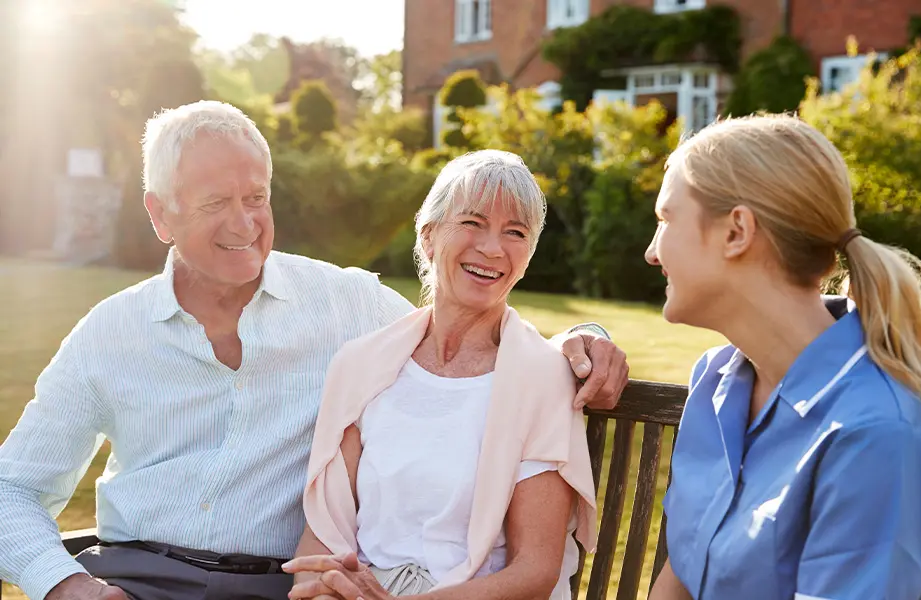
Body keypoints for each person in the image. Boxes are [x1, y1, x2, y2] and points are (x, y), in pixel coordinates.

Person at [0, 101, 629, 600]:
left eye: (257, 198)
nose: (245, 224)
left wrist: (584, 340)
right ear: (160, 215)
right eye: (216, 203)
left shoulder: (346, 305)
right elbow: (12, 488)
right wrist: (66, 584)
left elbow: (462, 338)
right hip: (136, 580)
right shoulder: (109, 333)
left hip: (276, 585)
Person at [645, 115, 921, 600]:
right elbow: (685, 571)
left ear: (737, 232)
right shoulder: (714, 381)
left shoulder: (876, 434)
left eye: (666, 220)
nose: (651, 251)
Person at [281, 150, 598, 600]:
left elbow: (535, 571)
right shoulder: (363, 366)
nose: (492, 248)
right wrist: (323, 591)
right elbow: (321, 540)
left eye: (515, 232)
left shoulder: (541, 378)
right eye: (472, 222)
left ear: (527, 256)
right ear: (428, 236)